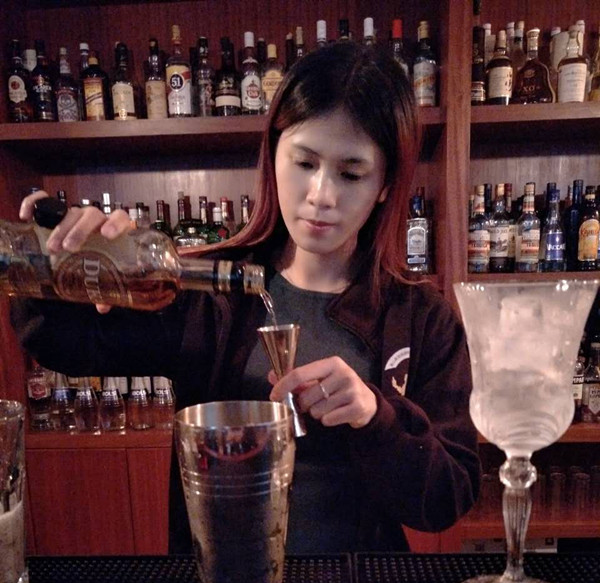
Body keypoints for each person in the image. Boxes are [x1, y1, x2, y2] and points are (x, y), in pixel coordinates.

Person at [12, 42, 480, 555]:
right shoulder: (207, 288)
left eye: (351, 173)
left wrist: (375, 416)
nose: (321, 195)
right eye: (304, 162)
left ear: (386, 184)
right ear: (273, 153)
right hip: (223, 581)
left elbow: (448, 497)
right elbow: (64, 344)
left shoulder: (421, 317)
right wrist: (58, 263)